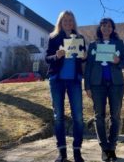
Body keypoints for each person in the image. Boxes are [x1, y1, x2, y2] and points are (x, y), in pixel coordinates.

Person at [84, 18, 124, 161]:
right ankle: (104, 148)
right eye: (103, 26)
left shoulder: (119, 43)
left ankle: (112, 147)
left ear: (112, 28)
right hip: (97, 85)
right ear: (100, 28)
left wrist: (118, 61)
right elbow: (89, 66)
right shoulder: (93, 45)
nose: (106, 28)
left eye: (109, 26)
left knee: (115, 116)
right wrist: (87, 86)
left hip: (116, 84)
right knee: (99, 117)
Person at [45, 10, 86, 162]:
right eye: (65, 20)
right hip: (57, 81)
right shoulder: (54, 37)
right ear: (60, 23)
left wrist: (84, 57)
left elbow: (82, 59)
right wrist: (57, 56)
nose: (68, 23)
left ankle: (77, 151)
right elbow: (47, 58)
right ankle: (62, 152)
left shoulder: (80, 38)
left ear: (74, 22)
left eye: (70, 20)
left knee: (79, 117)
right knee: (58, 117)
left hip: (74, 81)